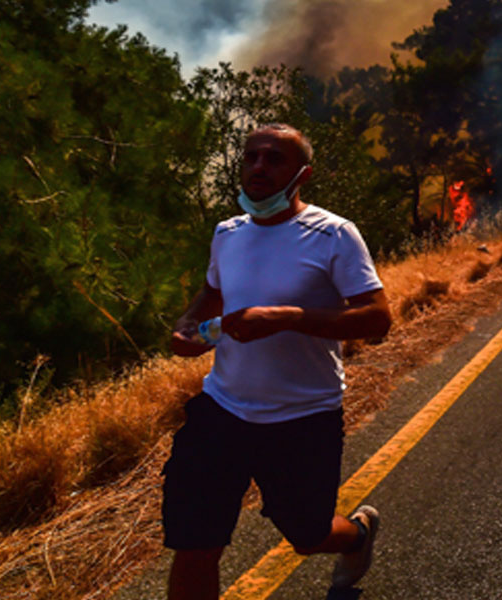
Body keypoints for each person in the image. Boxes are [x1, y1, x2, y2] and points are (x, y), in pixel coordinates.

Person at [163, 123, 393, 600]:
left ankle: (358, 534)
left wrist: (289, 317)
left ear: (302, 174)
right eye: (251, 158)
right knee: (194, 545)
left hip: (303, 417)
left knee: (307, 536)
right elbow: (213, 293)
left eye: (274, 159)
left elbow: (377, 318)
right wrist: (188, 326)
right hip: (222, 410)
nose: (259, 168)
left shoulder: (333, 234)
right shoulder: (227, 233)